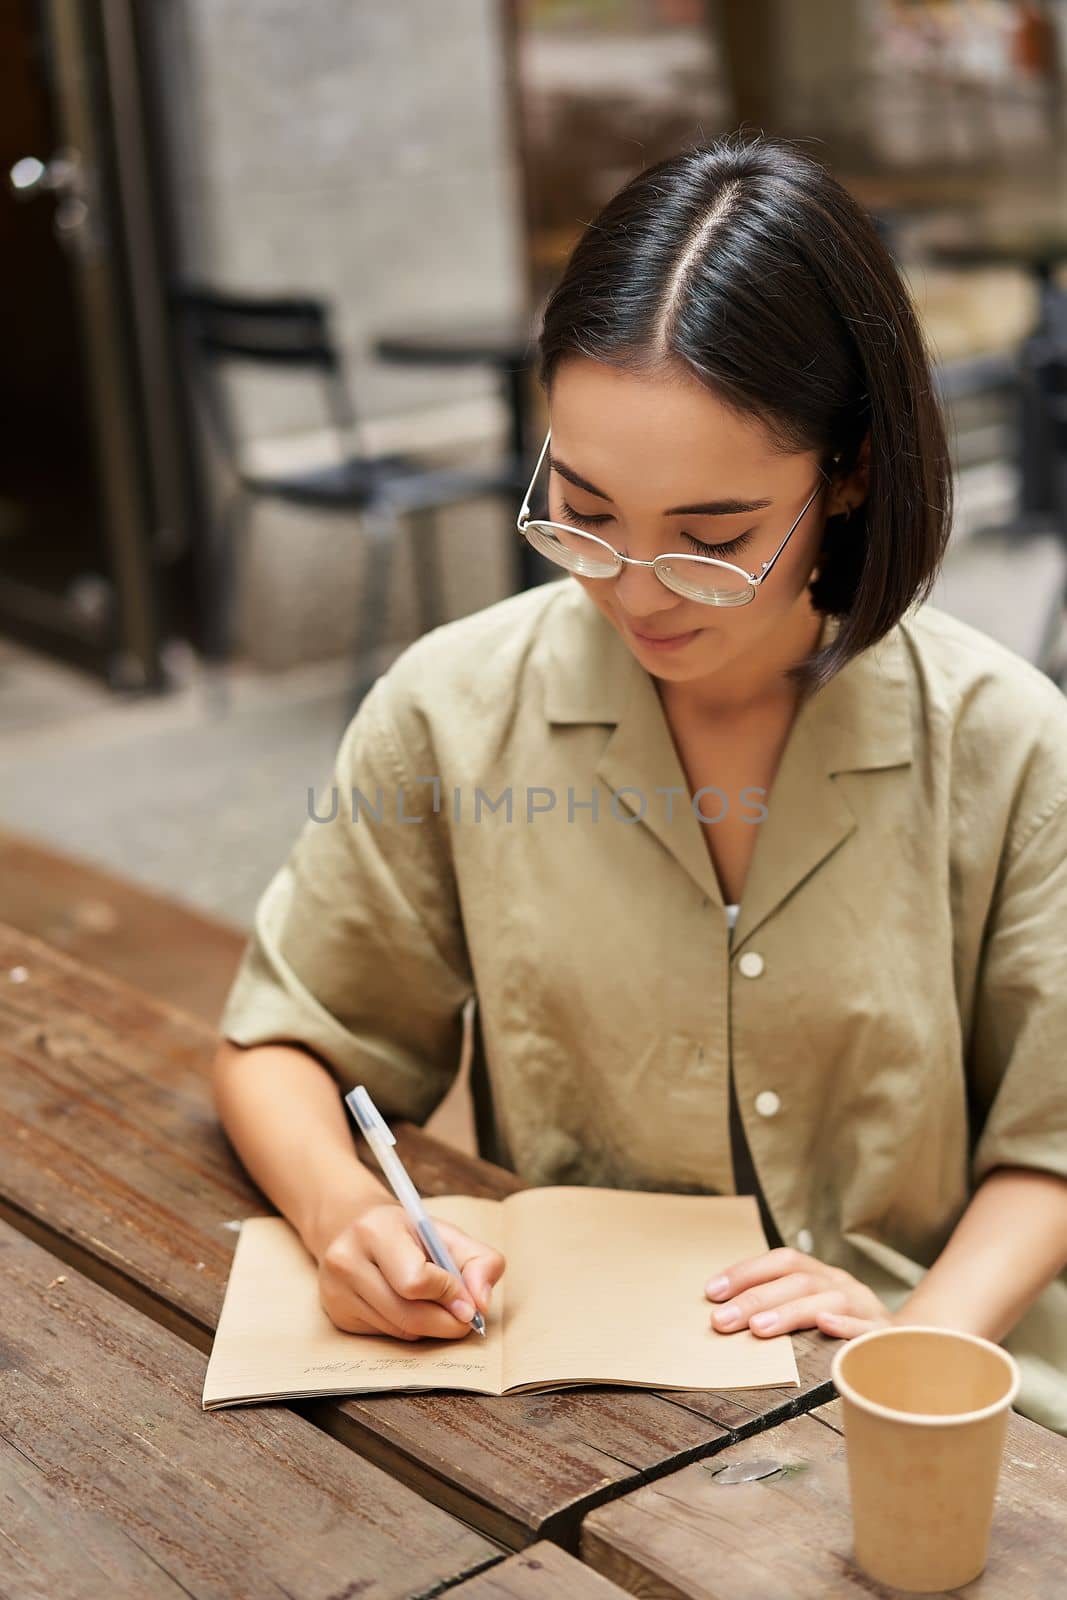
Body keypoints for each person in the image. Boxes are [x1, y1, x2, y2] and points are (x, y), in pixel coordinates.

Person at [211, 132, 1067, 1434]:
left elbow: (1053, 1142)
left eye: (712, 539)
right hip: (573, 1403)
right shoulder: (453, 711)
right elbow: (283, 1039)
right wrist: (349, 1216)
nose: (633, 588)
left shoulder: (1006, 743)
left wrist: (913, 1343)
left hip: (918, 1378)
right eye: (583, 509)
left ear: (850, 474)